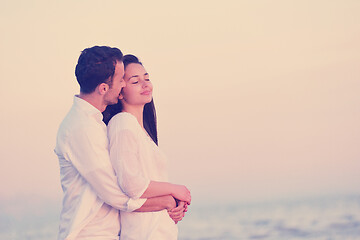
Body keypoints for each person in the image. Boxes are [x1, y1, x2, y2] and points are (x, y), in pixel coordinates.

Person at [54, 46, 185, 240]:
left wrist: (170, 200)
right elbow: (116, 193)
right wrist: (167, 200)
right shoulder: (82, 128)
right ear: (104, 88)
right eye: (122, 79)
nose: (123, 84)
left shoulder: (96, 124)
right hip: (89, 235)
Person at [103, 54, 191, 240]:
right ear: (120, 91)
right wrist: (174, 189)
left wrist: (172, 203)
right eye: (135, 81)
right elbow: (130, 184)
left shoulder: (140, 130)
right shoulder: (122, 123)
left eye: (147, 78)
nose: (145, 84)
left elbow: (147, 182)